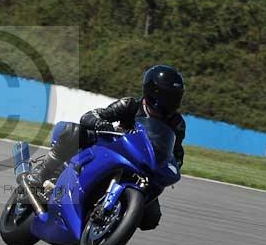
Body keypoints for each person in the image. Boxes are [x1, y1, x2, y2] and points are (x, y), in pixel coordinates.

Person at [26, 64, 186, 231]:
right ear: (153, 92)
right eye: (167, 97)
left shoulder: (177, 123)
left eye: (174, 98)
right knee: (73, 132)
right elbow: (92, 115)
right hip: (113, 147)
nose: (169, 103)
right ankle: (40, 175)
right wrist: (101, 123)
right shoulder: (130, 105)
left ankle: (114, 218)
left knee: (151, 218)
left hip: (144, 166)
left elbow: (176, 152)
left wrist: (174, 164)